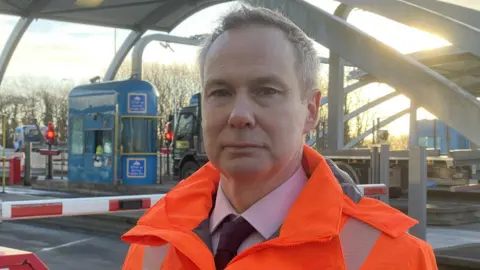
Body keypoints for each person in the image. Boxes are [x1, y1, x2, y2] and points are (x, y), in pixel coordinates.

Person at [121, 4, 437, 270]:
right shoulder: (153, 243)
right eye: (220, 92)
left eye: (266, 91)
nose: (239, 115)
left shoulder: (397, 257)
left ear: (311, 111)